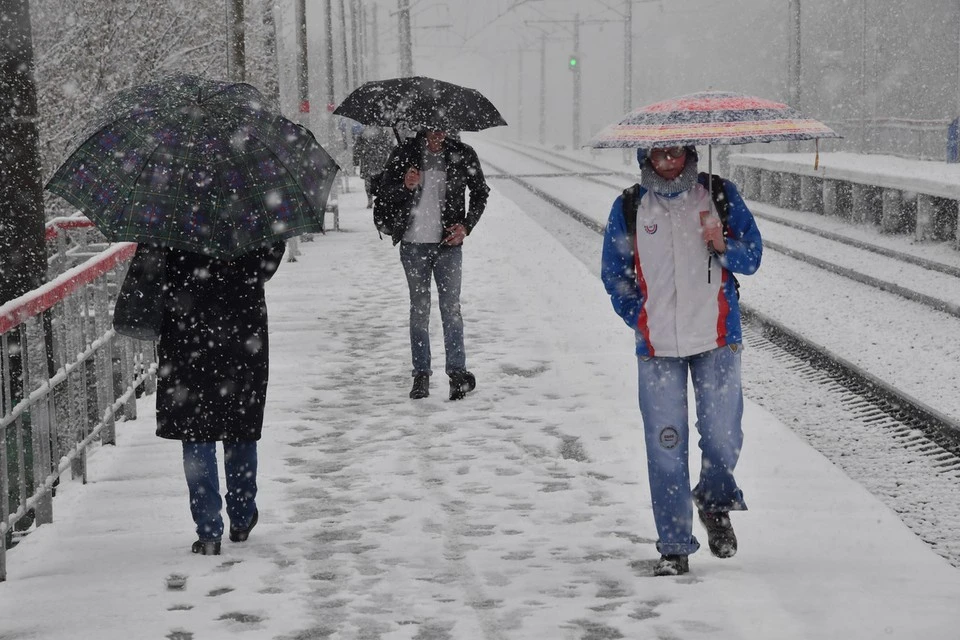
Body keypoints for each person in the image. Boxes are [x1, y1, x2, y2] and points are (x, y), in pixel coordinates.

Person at [600, 145, 762, 577]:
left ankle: (713, 501)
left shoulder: (720, 196)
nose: (669, 160)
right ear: (645, 156)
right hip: (657, 351)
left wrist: (722, 244)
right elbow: (614, 274)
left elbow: (754, 257)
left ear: (690, 151)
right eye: (659, 153)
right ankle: (674, 545)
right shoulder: (630, 205)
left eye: (676, 151)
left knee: (723, 435)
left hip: (716, 340)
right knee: (666, 447)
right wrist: (641, 316)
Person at [152, 241, 286, 555]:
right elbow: (268, 263)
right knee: (240, 423)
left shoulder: (170, 207)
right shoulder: (252, 201)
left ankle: (209, 530)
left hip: (187, 331)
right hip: (242, 328)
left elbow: (152, 270)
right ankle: (241, 517)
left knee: (195, 431)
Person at [376, 129, 489, 401]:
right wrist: (404, 185)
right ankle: (421, 374)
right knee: (420, 309)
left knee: (451, 309)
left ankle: (457, 374)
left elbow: (480, 193)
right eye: (433, 128)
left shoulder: (462, 154)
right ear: (423, 128)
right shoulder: (405, 153)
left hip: (447, 245)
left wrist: (466, 226)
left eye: (444, 127)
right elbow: (382, 194)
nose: (438, 134)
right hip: (413, 245)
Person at [353, 126, 396, 208]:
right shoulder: (383, 132)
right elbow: (390, 147)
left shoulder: (363, 133)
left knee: (368, 180)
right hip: (380, 159)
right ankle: (379, 198)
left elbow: (357, 148)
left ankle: (370, 198)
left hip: (368, 159)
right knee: (381, 179)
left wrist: (355, 160)